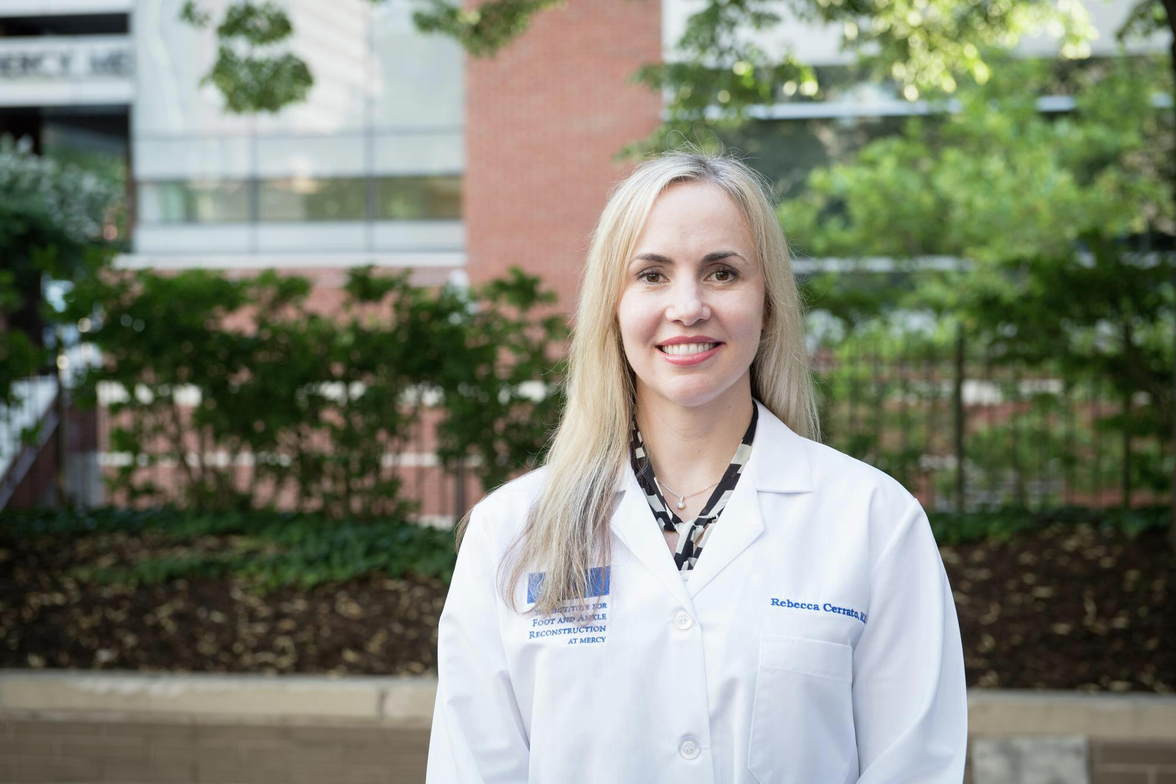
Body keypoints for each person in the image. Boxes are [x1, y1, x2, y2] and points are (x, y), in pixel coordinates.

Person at [425, 146, 967, 783]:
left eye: (722, 273)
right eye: (652, 275)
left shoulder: (874, 522)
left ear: (768, 303)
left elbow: (914, 768)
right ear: (612, 305)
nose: (687, 307)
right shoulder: (509, 533)